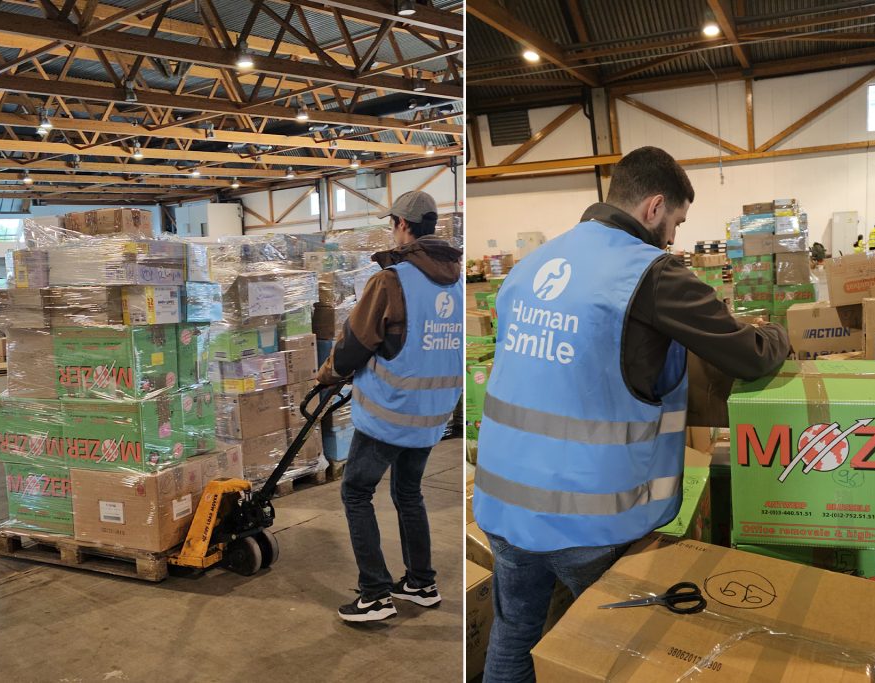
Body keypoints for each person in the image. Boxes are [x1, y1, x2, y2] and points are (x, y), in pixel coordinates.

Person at [474, 146, 791, 682]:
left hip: (504, 503)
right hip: (587, 518)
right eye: (676, 223)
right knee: (611, 656)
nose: (673, 238)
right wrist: (779, 332)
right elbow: (749, 354)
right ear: (655, 206)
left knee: (515, 636)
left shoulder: (532, 266)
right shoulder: (649, 273)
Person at [316, 190, 463, 623]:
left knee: (356, 492)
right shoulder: (455, 281)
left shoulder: (392, 280)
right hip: (432, 413)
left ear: (402, 224)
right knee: (408, 492)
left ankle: (375, 594)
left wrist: (328, 374)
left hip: (390, 412)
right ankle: (421, 583)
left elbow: (356, 342)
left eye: (392, 224)